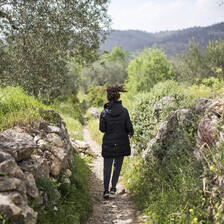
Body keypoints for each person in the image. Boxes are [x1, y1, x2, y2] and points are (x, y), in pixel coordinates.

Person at [99, 84, 134, 199]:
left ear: (108, 98)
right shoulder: (124, 111)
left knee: (107, 166)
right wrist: (130, 133)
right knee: (117, 166)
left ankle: (106, 190)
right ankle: (113, 187)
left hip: (109, 143)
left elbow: (102, 129)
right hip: (122, 142)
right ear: (118, 97)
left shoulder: (104, 113)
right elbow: (129, 128)